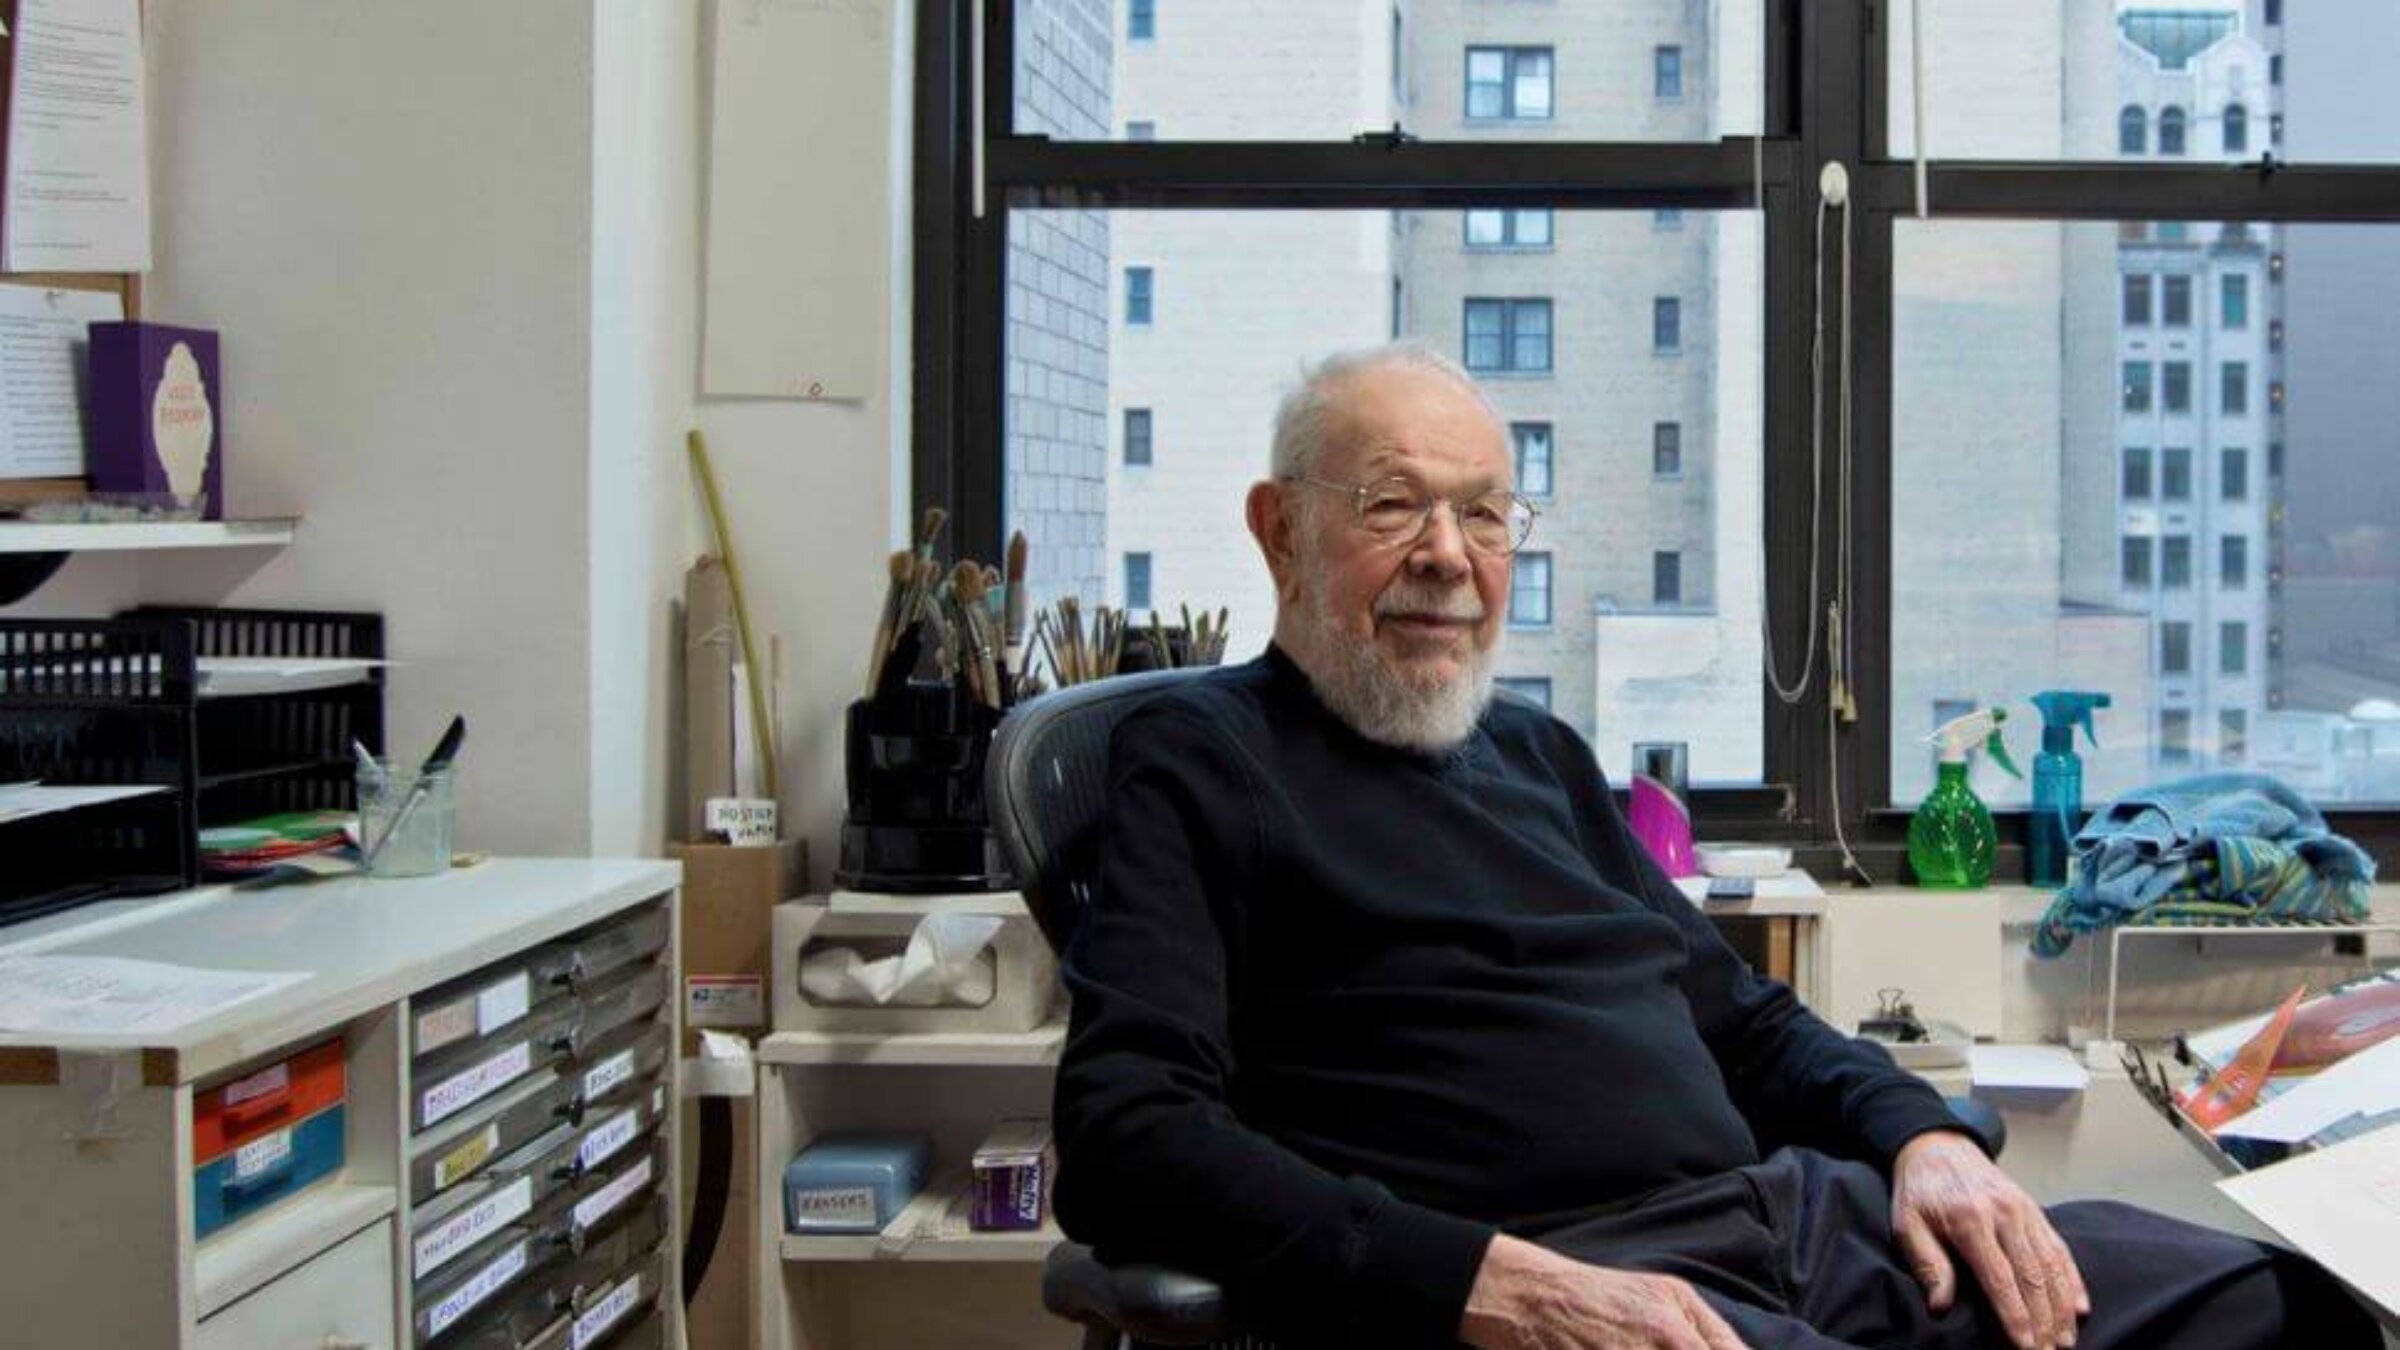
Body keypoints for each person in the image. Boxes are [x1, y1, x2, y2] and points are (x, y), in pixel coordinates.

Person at [1049, 341, 2378, 1350]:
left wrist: (1921, 1137)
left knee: (2282, 1307)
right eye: (1394, 507)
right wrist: (1492, 1281)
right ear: (1280, 529)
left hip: (1804, 1220)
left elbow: (1741, 1019)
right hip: (1588, 1282)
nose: (1450, 557)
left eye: (1488, 513)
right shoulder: (1205, 757)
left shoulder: (1534, 753)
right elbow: (1127, 1132)